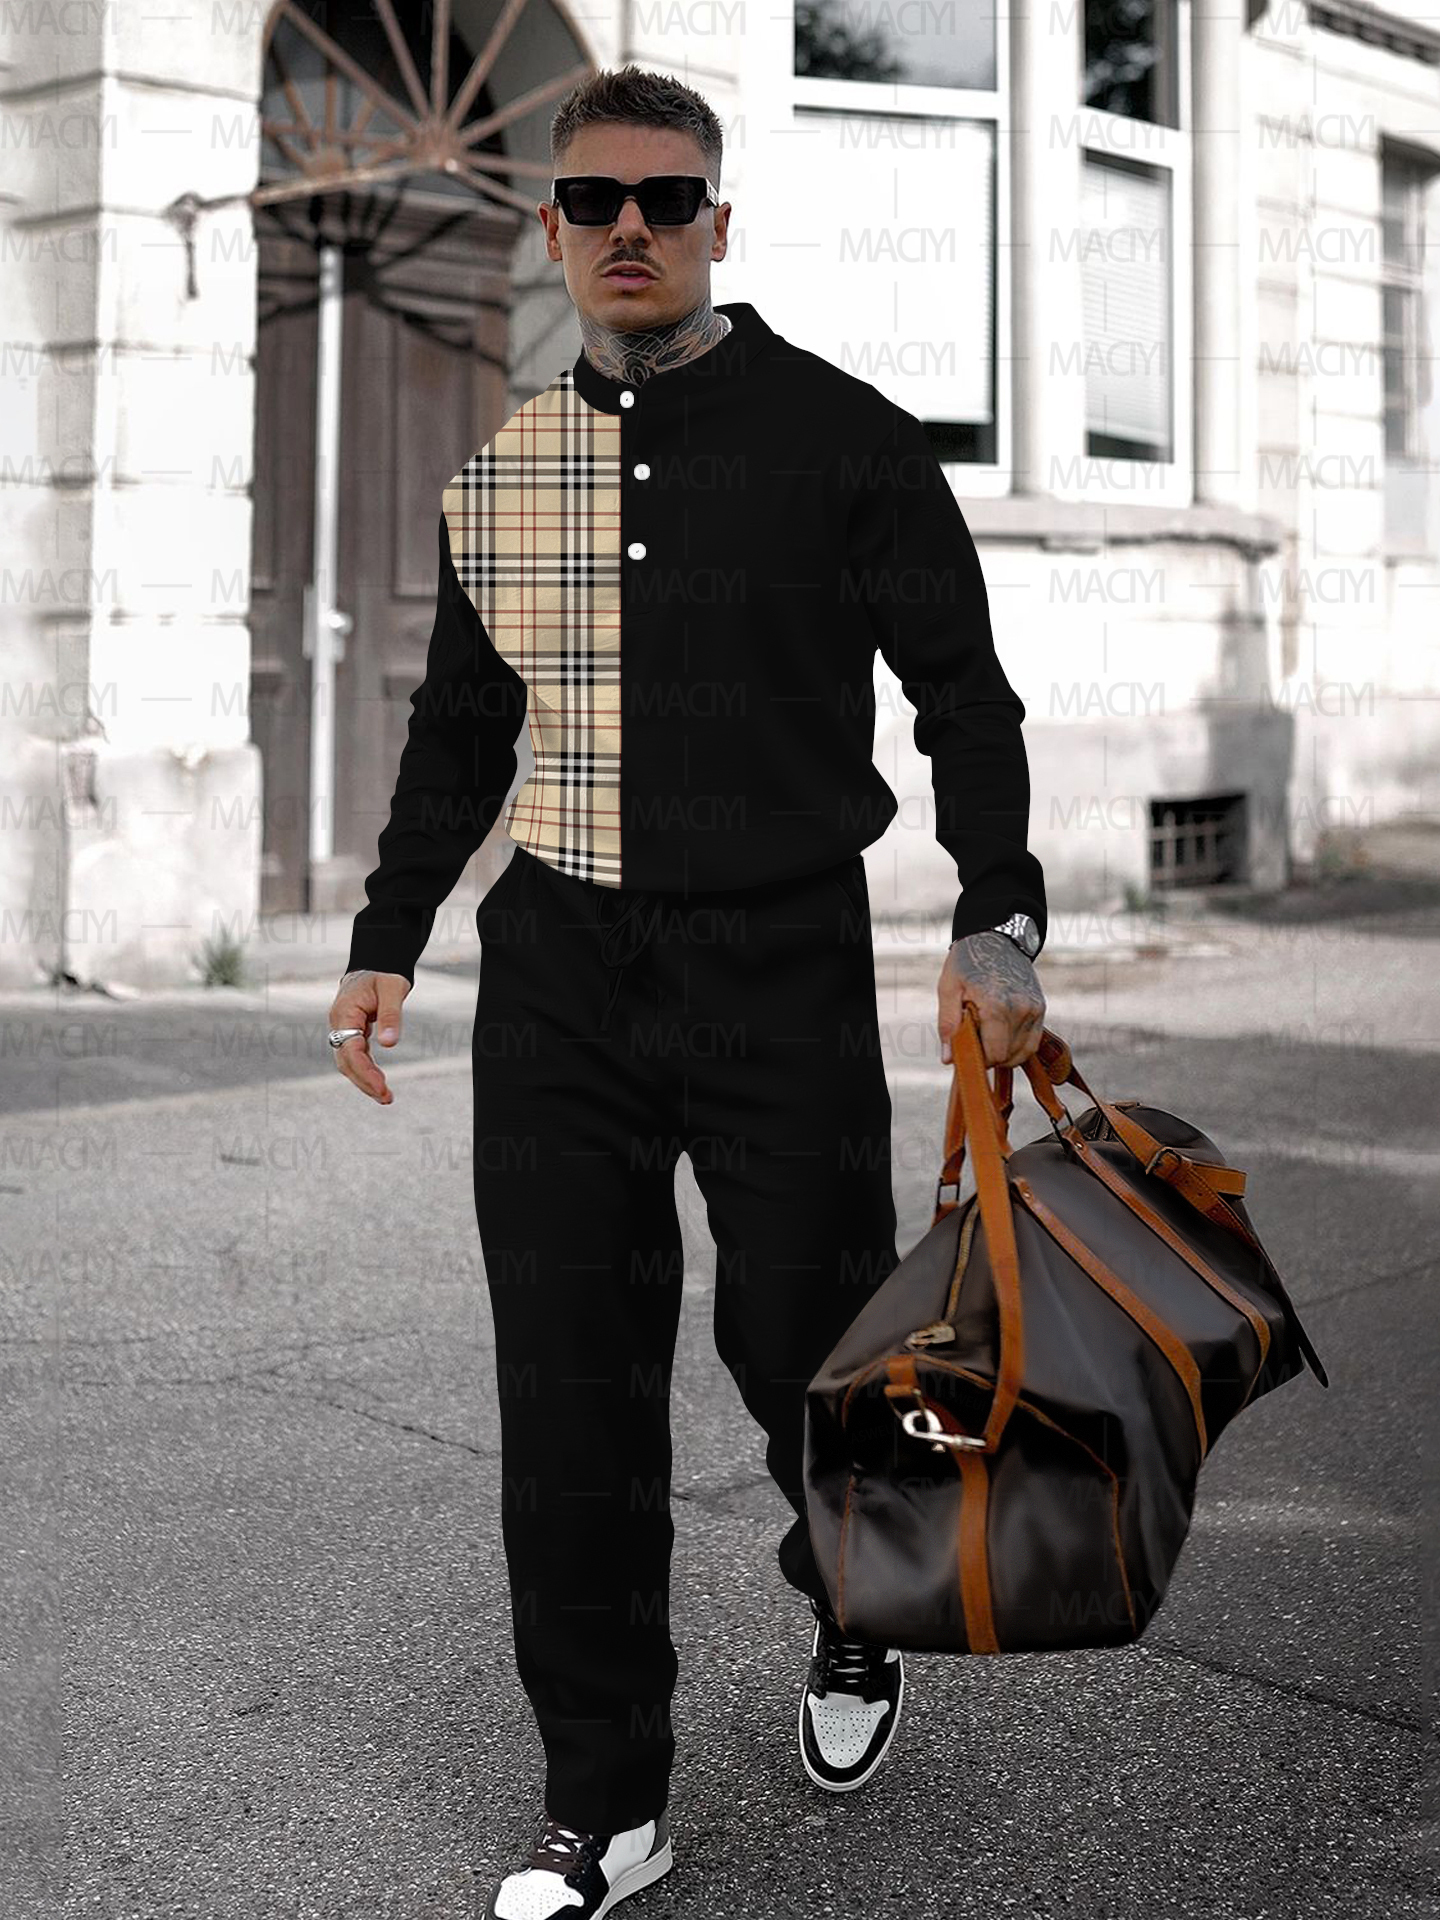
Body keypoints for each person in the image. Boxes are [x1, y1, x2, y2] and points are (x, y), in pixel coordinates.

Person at [327, 63, 1047, 1920]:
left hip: (778, 959)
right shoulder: (501, 475)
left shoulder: (849, 442)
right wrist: (388, 937)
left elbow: (964, 697)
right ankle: (605, 1800)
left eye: (665, 198)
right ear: (553, 229)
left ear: (719, 221)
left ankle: (855, 1595)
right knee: (572, 1389)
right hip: (560, 975)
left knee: (805, 1339)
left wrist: (999, 915)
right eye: (594, 201)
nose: (629, 227)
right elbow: (459, 732)